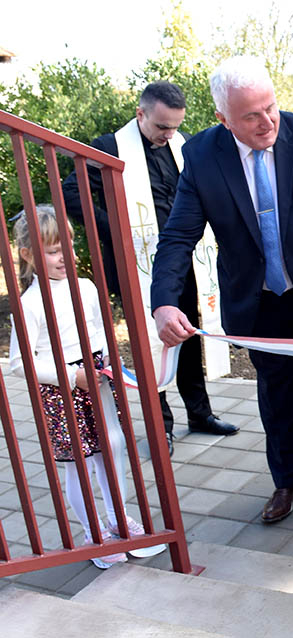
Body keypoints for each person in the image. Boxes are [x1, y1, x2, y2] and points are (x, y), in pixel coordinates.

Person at [150, 56, 293, 523]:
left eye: (270, 107)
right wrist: (165, 302)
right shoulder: (203, 156)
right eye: (250, 115)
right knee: (276, 394)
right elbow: (178, 235)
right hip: (256, 302)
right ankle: (288, 482)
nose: (266, 121)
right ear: (222, 119)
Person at [62, 81, 238, 458]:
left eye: (175, 126)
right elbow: (71, 192)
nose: (169, 135)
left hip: (182, 262)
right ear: (140, 114)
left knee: (186, 332)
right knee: (149, 342)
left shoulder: (181, 143)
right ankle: (162, 426)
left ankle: (200, 413)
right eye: (162, 126)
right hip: (136, 266)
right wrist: (117, 231)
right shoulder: (108, 148)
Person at [9, 206, 166, 568]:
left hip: (96, 378)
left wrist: (110, 357)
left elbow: (98, 329)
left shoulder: (86, 287)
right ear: (28, 254)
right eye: (52, 251)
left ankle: (118, 519)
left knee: (111, 449)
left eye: (67, 245)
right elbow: (22, 362)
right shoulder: (29, 304)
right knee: (77, 462)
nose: (65, 256)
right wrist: (70, 375)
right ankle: (93, 532)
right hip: (63, 387)